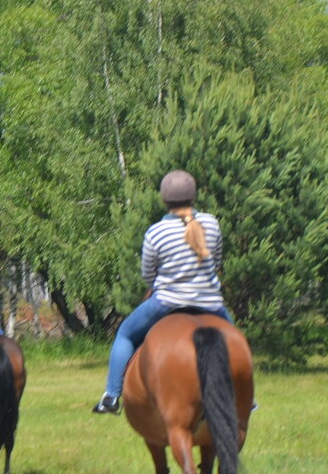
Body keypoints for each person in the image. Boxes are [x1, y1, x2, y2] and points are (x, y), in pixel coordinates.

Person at [93, 169, 233, 415]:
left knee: (125, 333)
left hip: (167, 302)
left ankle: (112, 396)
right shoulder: (211, 223)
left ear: (164, 199)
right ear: (193, 196)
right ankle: (245, 396)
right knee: (235, 341)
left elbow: (149, 275)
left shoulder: (156, 231)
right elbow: (217, 262)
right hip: (211, 302)